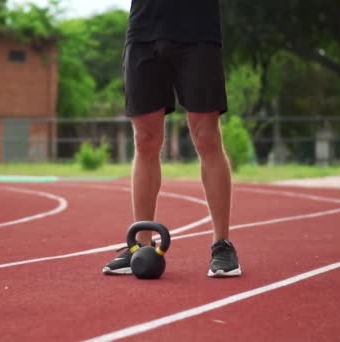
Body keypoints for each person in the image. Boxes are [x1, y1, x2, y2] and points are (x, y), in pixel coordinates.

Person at [102, 0, 241, 278]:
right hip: (144, 28)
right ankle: (140, 246)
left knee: (206, 136)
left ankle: (222, 245)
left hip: (197, 30)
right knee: (145, 139)